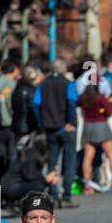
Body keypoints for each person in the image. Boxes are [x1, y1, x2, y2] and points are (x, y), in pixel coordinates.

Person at [34, 59, 79, 208]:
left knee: (52, 162)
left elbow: (36, 103)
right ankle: (66, 196)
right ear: (63, 69)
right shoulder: (68, 83)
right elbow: (71, 102)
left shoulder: (43, 84)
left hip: (50, 127)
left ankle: (53, 195)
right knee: (69, 161)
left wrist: (42, 121)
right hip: (66, 127)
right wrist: (70, 122)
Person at [77, 84, 112, 192]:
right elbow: (109, 112)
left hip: (88, 127)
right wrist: (109, 101)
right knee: (111, 155)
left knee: (87, 157)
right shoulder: (100, 97)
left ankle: (87, 186)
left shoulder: (82, 97)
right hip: (101, 125)